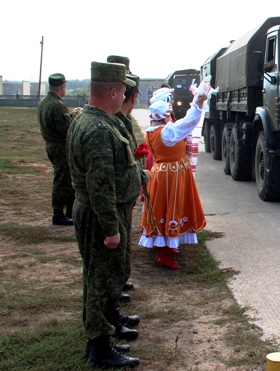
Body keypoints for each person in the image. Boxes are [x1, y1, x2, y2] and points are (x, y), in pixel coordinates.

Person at [67, 61, 143, 369]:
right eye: (123, 91)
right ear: (112, 91)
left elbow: (114, 171)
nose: (124, 97)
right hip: (100, 215)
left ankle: (102, 336)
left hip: (97, 211)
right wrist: (112, 229)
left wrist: (140, 177)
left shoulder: (93, 120)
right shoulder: (97, 129)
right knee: (99, 279)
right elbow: (100, 185)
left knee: (99, 277)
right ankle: (99, 346)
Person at [138, 95, 207, 270]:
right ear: (165, 116)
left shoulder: (151, 131)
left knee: (165, 207)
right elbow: (190, 121)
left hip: (164, 173)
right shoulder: (167, 132)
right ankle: (163, 253)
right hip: (171, 175)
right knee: (170, 207)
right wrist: (197, 103)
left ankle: (168, 246)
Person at [108, 55, 144, 303]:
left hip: (125, 193)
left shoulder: (123, 118)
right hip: (115, 195)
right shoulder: (109, 119)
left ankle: (121, 279)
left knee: (124, 245)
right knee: (113, 251)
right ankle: (113, 290)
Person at [37, 73, 76, 226]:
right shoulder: (57, 105)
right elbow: (67, 129)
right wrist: (74, 118)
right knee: (62, 179)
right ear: (63, 87)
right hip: (60, 146)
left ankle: (69, 211)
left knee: (66, 178)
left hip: (51, 144)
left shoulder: (45, 102)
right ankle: (58, 213)